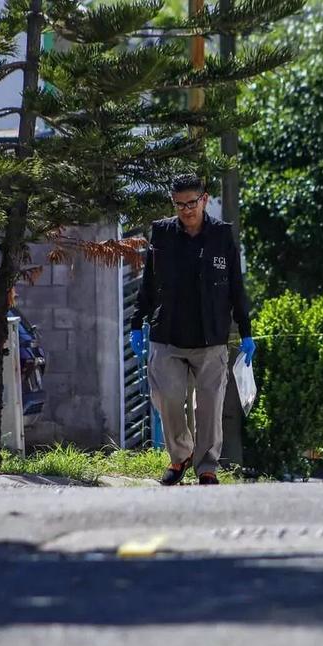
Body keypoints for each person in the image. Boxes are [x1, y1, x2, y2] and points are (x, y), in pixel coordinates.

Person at [130, 175, 256, 486]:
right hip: (168, 334)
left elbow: (236, 288)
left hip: (211, 336)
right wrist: (136, 322)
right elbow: (148, 283)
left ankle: (207, 467)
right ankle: (180, 456)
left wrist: (246, 329)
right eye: (179, 205)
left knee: (210, 407)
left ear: (204, 199)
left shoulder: (222, 236)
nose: (186, 210)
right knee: (169, 399)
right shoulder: (162, 233)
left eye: (192, 203)